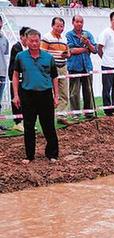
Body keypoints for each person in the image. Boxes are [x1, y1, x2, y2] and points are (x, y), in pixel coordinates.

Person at [12, 29, 59, 164]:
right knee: (29, 126)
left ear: (40, 41)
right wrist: (16, 95)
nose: (34, 43)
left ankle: (52, 154)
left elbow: (54, 77)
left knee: (49, 125)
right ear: (26, 41)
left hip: (45, 95)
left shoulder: (48, 57)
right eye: (31, 41)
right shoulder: (20, 57)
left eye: (36, 41)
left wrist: (56, 96)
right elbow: (15, 76)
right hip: (28, 95)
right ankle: (29, 156)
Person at [66, 15, 96, 121]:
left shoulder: (88, 34)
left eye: (81, 22)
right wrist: (85, 49)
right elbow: (71, 50)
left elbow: (95, 50)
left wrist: (87, 43)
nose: (79, 24)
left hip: (87, 66)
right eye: (77, 21)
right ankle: (75, 113)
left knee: (88, 90)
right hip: (74, 66)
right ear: (73, 22)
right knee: (74, 91)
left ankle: (88, 112)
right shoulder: (69, 35)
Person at [41, 17, 70, 125]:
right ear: (52, 25)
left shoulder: (64, 38)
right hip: (50, 68)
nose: (59, 28)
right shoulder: (46, 37)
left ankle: (61, 115)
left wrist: (67, 54)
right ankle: (48, 116)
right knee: (50, 92)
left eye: (61, 26)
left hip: (62, 66)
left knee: (64, 92)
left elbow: (68, 52)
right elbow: (42, 53)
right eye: (57, 26)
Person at [8, 26, 28, 133]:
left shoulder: (28, 48)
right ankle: (17, 122)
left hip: (25, 79)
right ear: (21, 37)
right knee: (16, 99)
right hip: (16, 78)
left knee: (25, 101)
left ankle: (24, 122)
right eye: (26, 36)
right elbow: (17, 65)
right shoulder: (16, 47)